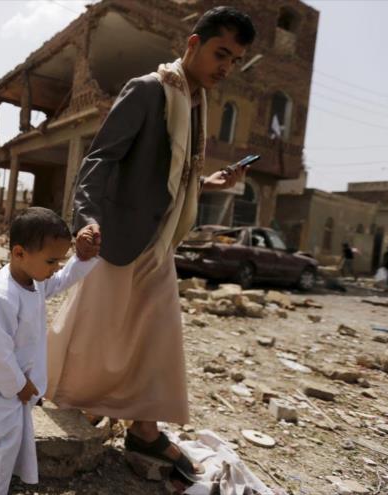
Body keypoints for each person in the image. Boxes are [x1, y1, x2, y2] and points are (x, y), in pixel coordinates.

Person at [45, 6, 255, 482]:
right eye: (221, 53)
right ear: (193, 45)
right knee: (98, 329)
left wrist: (213, 182)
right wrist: (87, 221)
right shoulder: (149, 90)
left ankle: (141, 425)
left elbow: (170, 175)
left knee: (152, 333)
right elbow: (100, 159)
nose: (226, 66)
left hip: (157, 241)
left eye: (235, 60)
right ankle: (96, 408)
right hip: (117, 235)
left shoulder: (195, 103)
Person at [0, 207, 99, 495]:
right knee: (1, 443)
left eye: (59, 261)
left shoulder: (33, 279)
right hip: (3, 384)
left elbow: (61, 280)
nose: (55, 268)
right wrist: (19, 385)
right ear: (19, 253)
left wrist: (82, 259)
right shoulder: (1, 296)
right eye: (51, 260)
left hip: (18, 384)